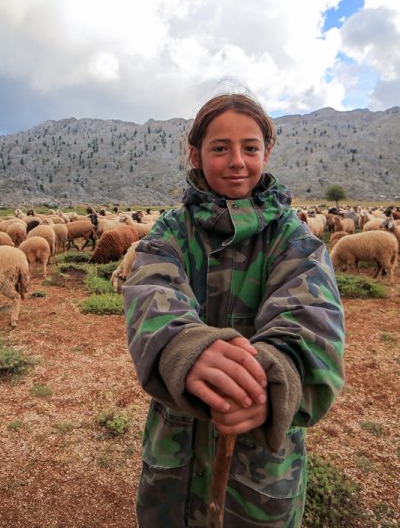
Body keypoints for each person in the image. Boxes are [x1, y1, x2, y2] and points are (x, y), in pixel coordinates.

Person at [122, 92, 345, 526]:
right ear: (196, 154)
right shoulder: (170, 233)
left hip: (259, 475)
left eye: (250, 148)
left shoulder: (294, 240)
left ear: (267, 151)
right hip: (176, 461)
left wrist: (274, 380)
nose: (237, 161)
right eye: (220, 148)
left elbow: (312, 322)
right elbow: (150, 292)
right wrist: (182, 346)